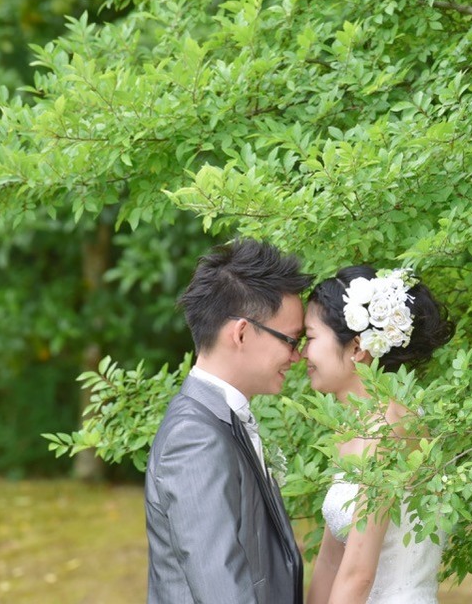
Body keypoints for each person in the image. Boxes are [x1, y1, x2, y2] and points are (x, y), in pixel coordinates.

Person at [145, 239, 312, 604]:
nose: (297, 357)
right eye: (290, 340)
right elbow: (221, 589)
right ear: (240, 333)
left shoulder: (217, 420)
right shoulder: (194, 437)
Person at [303, 266, 454, 604]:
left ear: (357, 347)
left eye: (310, 338)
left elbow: (359, 574)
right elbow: (331, 561)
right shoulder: (353, 429)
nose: (301, 353)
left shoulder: (391, 430)